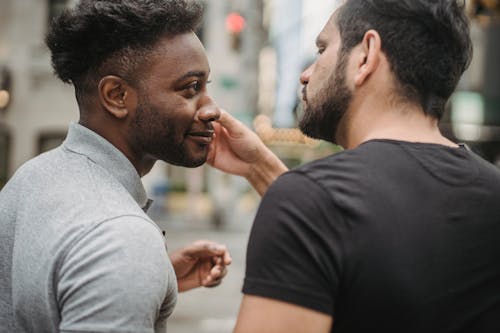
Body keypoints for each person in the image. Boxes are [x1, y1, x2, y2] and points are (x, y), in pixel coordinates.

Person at [208, 0, 500, 332]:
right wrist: (260, 167)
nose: (306, 74)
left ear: (366, 55)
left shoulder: (309, 202)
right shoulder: (492, 192)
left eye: (321, 49)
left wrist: (291, 193)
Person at [0, 1, 232, 332]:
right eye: (191, 88)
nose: (213, 109)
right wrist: (130, 265)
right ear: (117, 96)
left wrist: (149, 278)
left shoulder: (32, 177)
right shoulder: (121, 241)